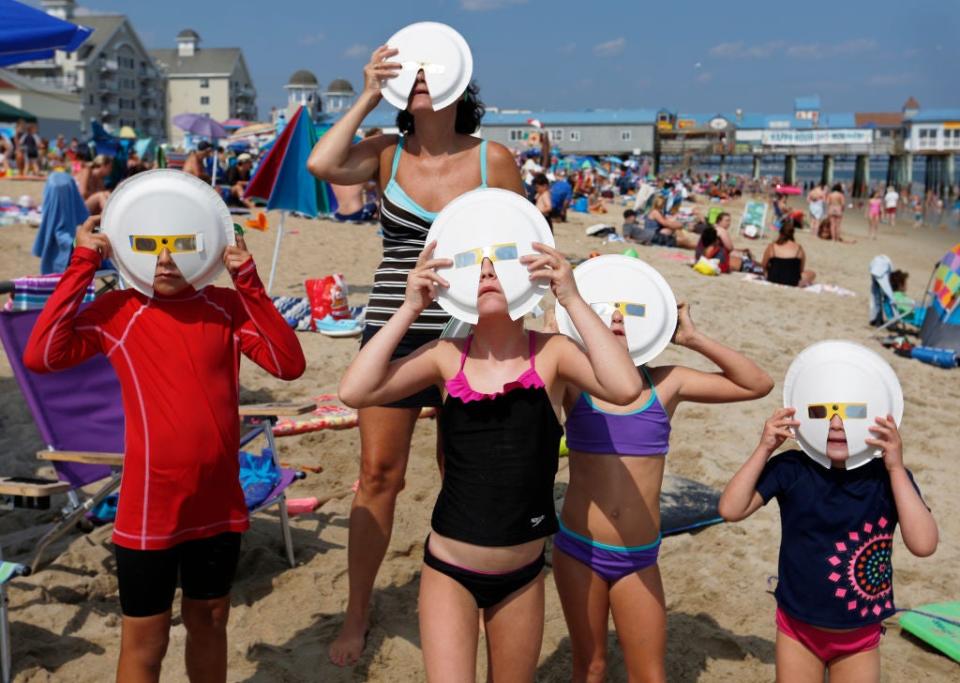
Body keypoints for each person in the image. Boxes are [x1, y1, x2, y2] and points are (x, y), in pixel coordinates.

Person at [306, 44, 524, 667]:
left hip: (470, 336)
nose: (420, 81)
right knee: (379, 475)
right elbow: (322, 164)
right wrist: (370, 94)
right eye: (412, 73)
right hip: (395, 329)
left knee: (464, 475)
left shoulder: (493, 158)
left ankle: (465, 594)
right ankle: (358, 610)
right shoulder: (382, 152)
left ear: (458, 81)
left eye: (430, 71)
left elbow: (528, 249)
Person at [338, 241, 643, 682]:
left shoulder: (553, 353)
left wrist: (571, 298)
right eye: (476, 264)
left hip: (521, 575)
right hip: (449, 570)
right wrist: (409, 308)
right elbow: (355, 390)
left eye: (497, 263)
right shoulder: (446, 356)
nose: (486, 270)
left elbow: (624, 386)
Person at [24, 215, 306, 683]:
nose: (165, 260)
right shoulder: (118, 309)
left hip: (217, 499)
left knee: (211, 620)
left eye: (180, 245)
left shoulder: (225, 306)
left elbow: (289, 363)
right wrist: (83, 264)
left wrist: (248, 281)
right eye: (149, 246)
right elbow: (41, 354)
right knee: (147, 641)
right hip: (150, 504)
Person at [551, 300, 772, 682]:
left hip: (638, 557)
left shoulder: (667, 383)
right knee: (590, 667)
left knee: (650, 675)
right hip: (579, 550)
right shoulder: (574, 381)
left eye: (627, 310)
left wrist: (693, 338)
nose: (617, 317)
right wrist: (557, 331)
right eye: (607, 309)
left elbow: (756, 384)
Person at [718, 398, 938, 681]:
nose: (836, 424)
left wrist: (896, 469)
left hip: (859, 637)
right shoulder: (791, 469)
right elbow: (730, 509)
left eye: (852, 413)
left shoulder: (888, 479)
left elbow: (924, 544)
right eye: (821, 412)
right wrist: (764, 448)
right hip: (797, 631)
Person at [761, 218, 816, 287]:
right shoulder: (799, 248)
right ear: (793, 233)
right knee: (812, 273)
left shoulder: (772, 247)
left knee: (766, 270)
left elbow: (763, 266)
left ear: (780, 233)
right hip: (792, 281)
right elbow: (800, 270)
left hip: (773, 278)